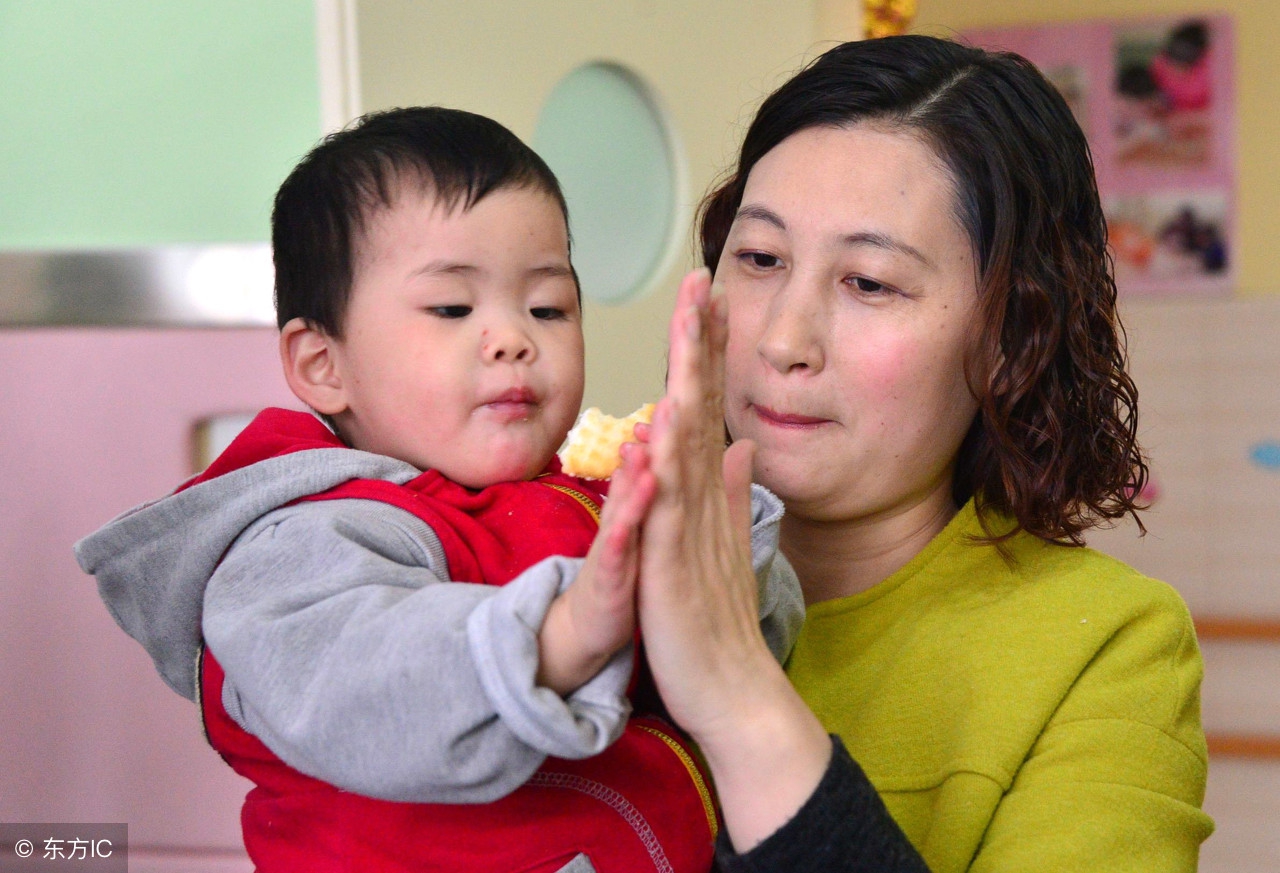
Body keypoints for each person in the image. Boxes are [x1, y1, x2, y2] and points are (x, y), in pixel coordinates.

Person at [74, 106, 803, 873]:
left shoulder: (593, 497)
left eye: (547, 306)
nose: (513, 337)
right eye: (454, 308)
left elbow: (748, 659)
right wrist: (556, 635)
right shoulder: (300, 540)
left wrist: (719, 552)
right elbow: (366, 677)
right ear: (324, 364)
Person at [633, 36, 1214, 873]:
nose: (784, 340)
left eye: (868, 282)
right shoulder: (573, 555)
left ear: (1011, 339)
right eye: (759, 259)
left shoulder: (1109, 647)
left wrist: (736, 695)